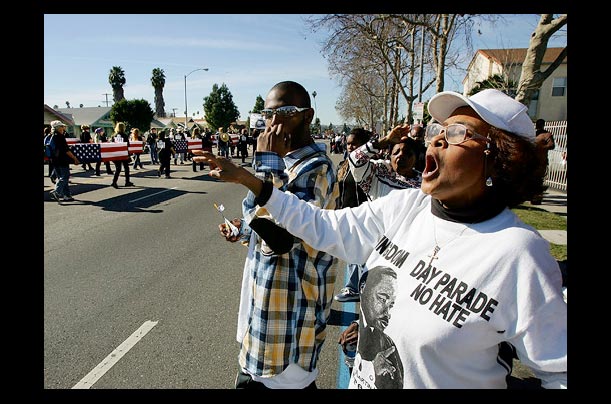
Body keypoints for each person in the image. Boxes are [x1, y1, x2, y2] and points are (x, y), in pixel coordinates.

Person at [196, 88, 567, 389]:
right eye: (439, 129)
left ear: (498, 157)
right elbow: (320, 226)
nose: (435, 141)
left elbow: (558, 372)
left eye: (456, 133)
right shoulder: (407, 206)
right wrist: (251, 181)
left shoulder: (519, 252)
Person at [193, 80, 339, 389]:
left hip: (289, 324)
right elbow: (262, 221)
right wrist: (243, 228)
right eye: (267, 112)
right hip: (262, 312)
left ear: (307, 116)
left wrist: (257, 172)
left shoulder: (317, 167)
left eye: (285, 112)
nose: (273, 121)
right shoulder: (278, 162)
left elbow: (284, 237)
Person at [333, 128, 371, 303]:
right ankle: (355, 286)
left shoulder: (369, 165)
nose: (350, 146)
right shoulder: (344, 165)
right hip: (346, 216)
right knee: (350, 252)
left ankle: (355, 287)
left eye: (354, 143)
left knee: (360, 253)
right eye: (348, 143)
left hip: (364, 217)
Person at [48, 120, 80, 202]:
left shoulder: (51, 136)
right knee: (65, 176)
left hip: (54, 160)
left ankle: (67, 195)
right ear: (58, 128)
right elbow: (66, 150)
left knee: (61, 177)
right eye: (62, 126)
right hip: (62, 159)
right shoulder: (60, 137)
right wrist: (74, 158)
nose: (63, 128)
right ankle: (57, 191)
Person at [530, 118, 555, 205]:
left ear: (543, 124)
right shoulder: (533, 134)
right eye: (537, 123)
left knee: (538, 180)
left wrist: (541, 148)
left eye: (539, 124)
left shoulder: (547, 135)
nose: (537, 125)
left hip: (541, 161)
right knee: (530, 178)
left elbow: (551, 145)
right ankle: (529, 195)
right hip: (531, 160)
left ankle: (536, 198)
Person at [110, 122, 134, 188]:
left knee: (118, 168)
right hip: (123, 153)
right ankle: (127, 181)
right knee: (126, 168)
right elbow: (127, 145)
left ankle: (114, 181)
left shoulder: (113, 135)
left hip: (116, 154)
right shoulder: (124, 135)